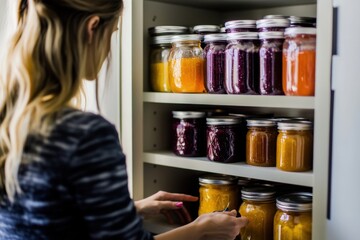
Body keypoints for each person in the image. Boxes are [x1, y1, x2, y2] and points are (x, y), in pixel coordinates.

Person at [0, 0, 248, 239]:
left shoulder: (9, 119)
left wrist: (129, 210)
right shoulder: (87, 134)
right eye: (112, 33)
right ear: (92, 27)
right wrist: (200, 230)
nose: (108, 48)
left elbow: (46, 213)